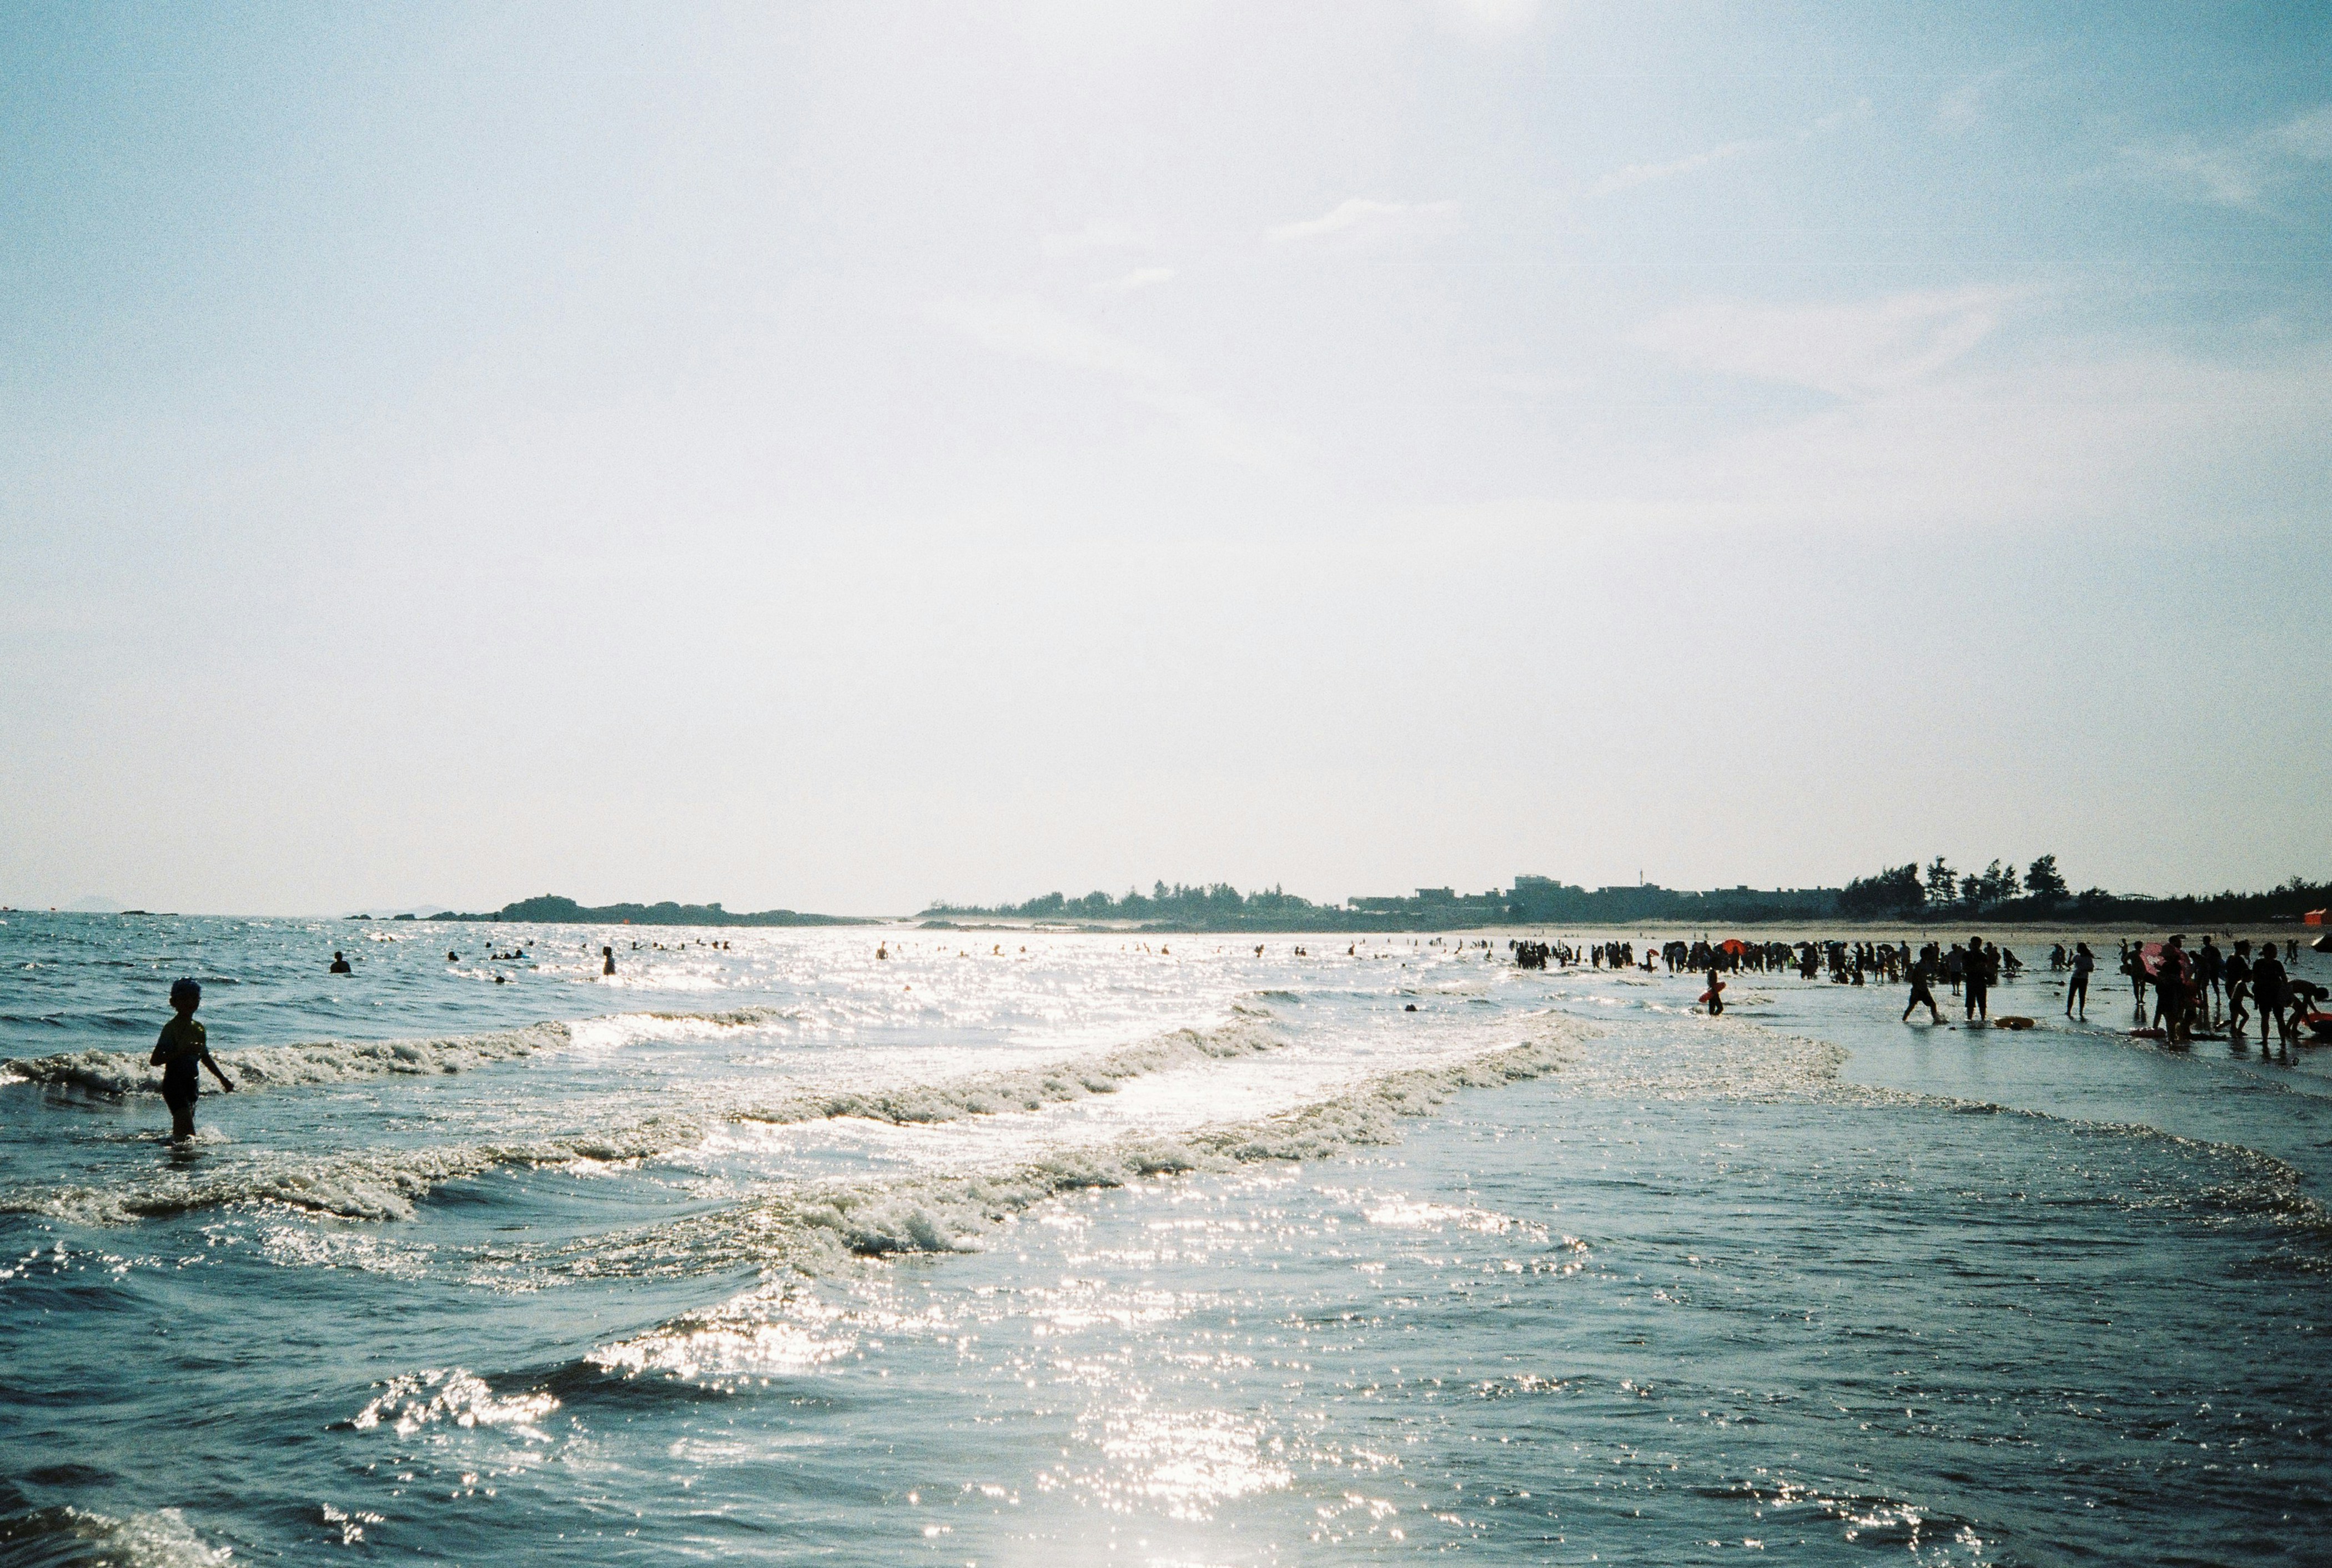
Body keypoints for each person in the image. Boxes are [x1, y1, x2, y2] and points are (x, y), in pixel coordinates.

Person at [150, 977, 233, 1142]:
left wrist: (223, 1079)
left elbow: (205, 1058)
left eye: (195, 998)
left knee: (182, 1133)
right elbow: (156, 1060)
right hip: (174, 1084)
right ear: (173, 1002)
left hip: (192, 1085)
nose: (190, 1002)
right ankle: (183, 1159)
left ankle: (179, 1161)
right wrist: (182, 1052)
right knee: (189, 1133)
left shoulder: (199, 1028)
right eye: (185, 998)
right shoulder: (171, 1028)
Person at [1903, 949, 1943, 1023]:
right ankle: (1903, 1020)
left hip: (1924, 989)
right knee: (1911, 1006)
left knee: (1933, 1005)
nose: (1930, 956)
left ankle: (1936, 1020)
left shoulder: (1926, 964)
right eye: (1929, 955)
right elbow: (1914, 977)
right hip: (1918, 989)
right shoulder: (1919, 964)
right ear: (1924, 955)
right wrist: (1915, 989)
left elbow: (1926, 975)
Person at [2066, 942, 2093, 1020]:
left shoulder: (2088, 958)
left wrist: (2082, 970)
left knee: (2082, 996)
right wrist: (2070, 956)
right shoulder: (2076, 957)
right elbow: (2068, 965)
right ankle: (2068, 1011)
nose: (2077, 949)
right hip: (2075, 977)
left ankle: (2081, 1012)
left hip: (2083, 978)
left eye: (2078, 948)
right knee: (2071, 994)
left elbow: (2091, 969)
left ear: (2082, 949)